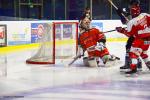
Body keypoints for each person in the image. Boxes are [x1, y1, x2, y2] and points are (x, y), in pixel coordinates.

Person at [116, 1, 150, 75]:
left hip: (139, 39)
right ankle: (147, 64)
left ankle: (134, 67)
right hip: (148, 39)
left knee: (132, 52)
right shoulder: (145, 14)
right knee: (143, 53)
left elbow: (129, 33)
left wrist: (121, 30)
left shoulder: (132, 21)